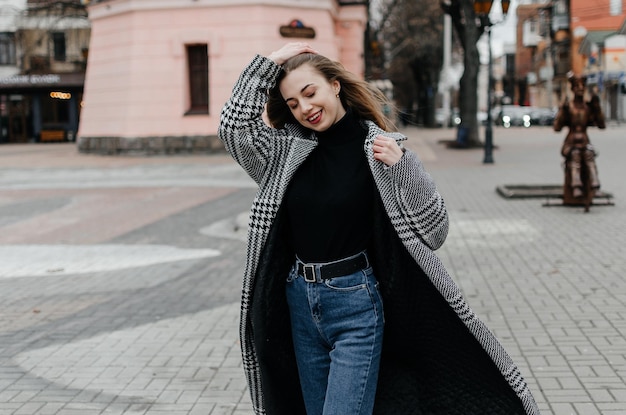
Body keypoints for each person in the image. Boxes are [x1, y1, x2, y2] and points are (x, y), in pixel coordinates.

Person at [218, 42, 540, 415]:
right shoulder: (283, 153)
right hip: (299, 303)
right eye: (293, 104)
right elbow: (233, 127)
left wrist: (404, 169)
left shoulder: (382, 151)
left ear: (334, 85)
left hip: (356, 305)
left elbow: (435, 233)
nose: (305, 108)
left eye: (310, 93)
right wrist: (269, 63)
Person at [553, 74, 605, 198]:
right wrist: (562, 111)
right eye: (577, 86)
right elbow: (557, 128)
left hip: (585, 142)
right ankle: (576, 187)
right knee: (575, 155)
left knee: (589, 155)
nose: (580, 89)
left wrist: (597, 108)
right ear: (572, 89)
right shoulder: (569, 107)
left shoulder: (588, 107)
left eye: (582, 86)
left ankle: (595, 185)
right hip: (570, 143)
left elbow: (601, 126)